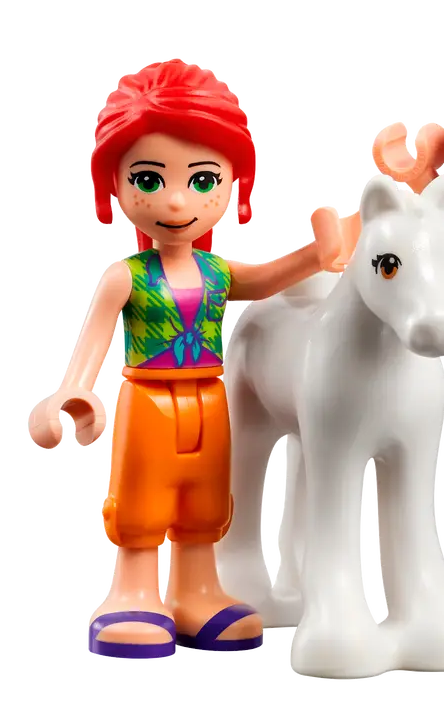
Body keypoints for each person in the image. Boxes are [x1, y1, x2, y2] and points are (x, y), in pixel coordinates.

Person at [28, 57, 341, 661]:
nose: (175, 200)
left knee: (204, 503)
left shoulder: (218, 271)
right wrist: (74, 394)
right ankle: (133, 592)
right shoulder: (125, 276)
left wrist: (317, 255)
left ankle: (197, 591)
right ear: (114, 184)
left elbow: (266, 278)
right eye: (149, 179)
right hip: (147, 401)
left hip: (208, 399)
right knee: (141, 502)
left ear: (233, 184)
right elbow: (91, 347)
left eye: (202, 181)